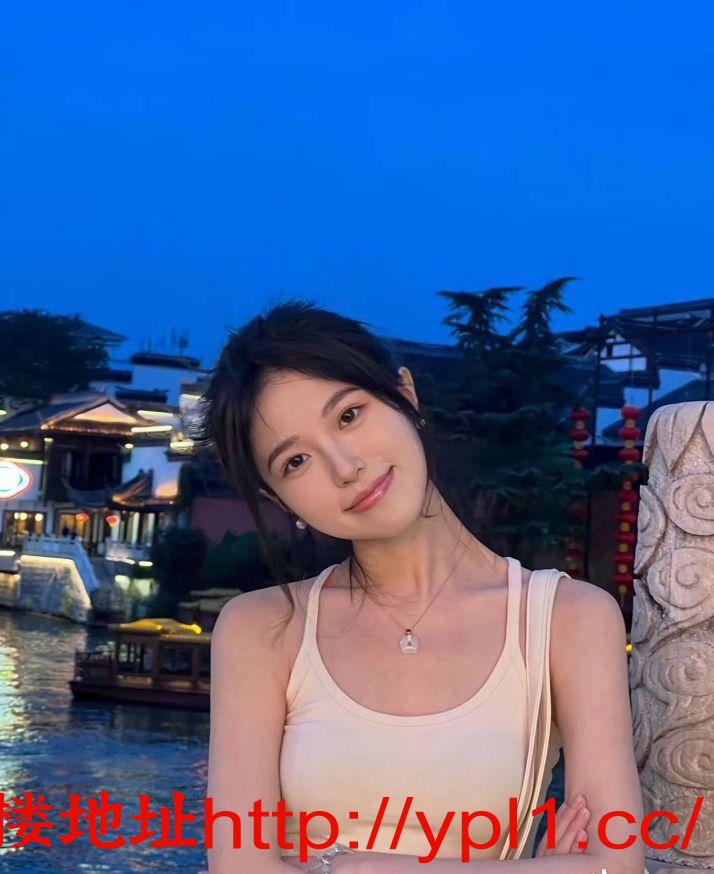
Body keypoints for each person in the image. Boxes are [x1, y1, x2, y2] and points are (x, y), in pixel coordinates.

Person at [200, 301, 646, 874]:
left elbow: (616, 863)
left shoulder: (567, 619)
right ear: (278, 500)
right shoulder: (262, 628)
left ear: (405, 395)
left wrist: (377, 869)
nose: (345, 467)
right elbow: (239, 866)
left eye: (349, 415)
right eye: (296, 461)